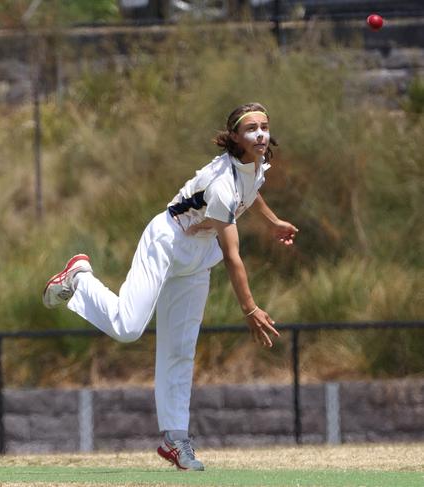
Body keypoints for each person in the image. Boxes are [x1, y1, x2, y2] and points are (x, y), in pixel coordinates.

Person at [43, 102, 298, 471]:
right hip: (168, 242)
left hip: (197, 256)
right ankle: (79, 279)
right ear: (234, 138)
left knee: (180, 350)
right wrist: (250, 309)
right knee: (128, 328)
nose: (261, 134)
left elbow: (252, 190)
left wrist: (272, 222)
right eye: (251, 129)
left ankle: (176, 439)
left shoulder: (253, 165)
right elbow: (233, 256)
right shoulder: (221, 184)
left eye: (265, 126)